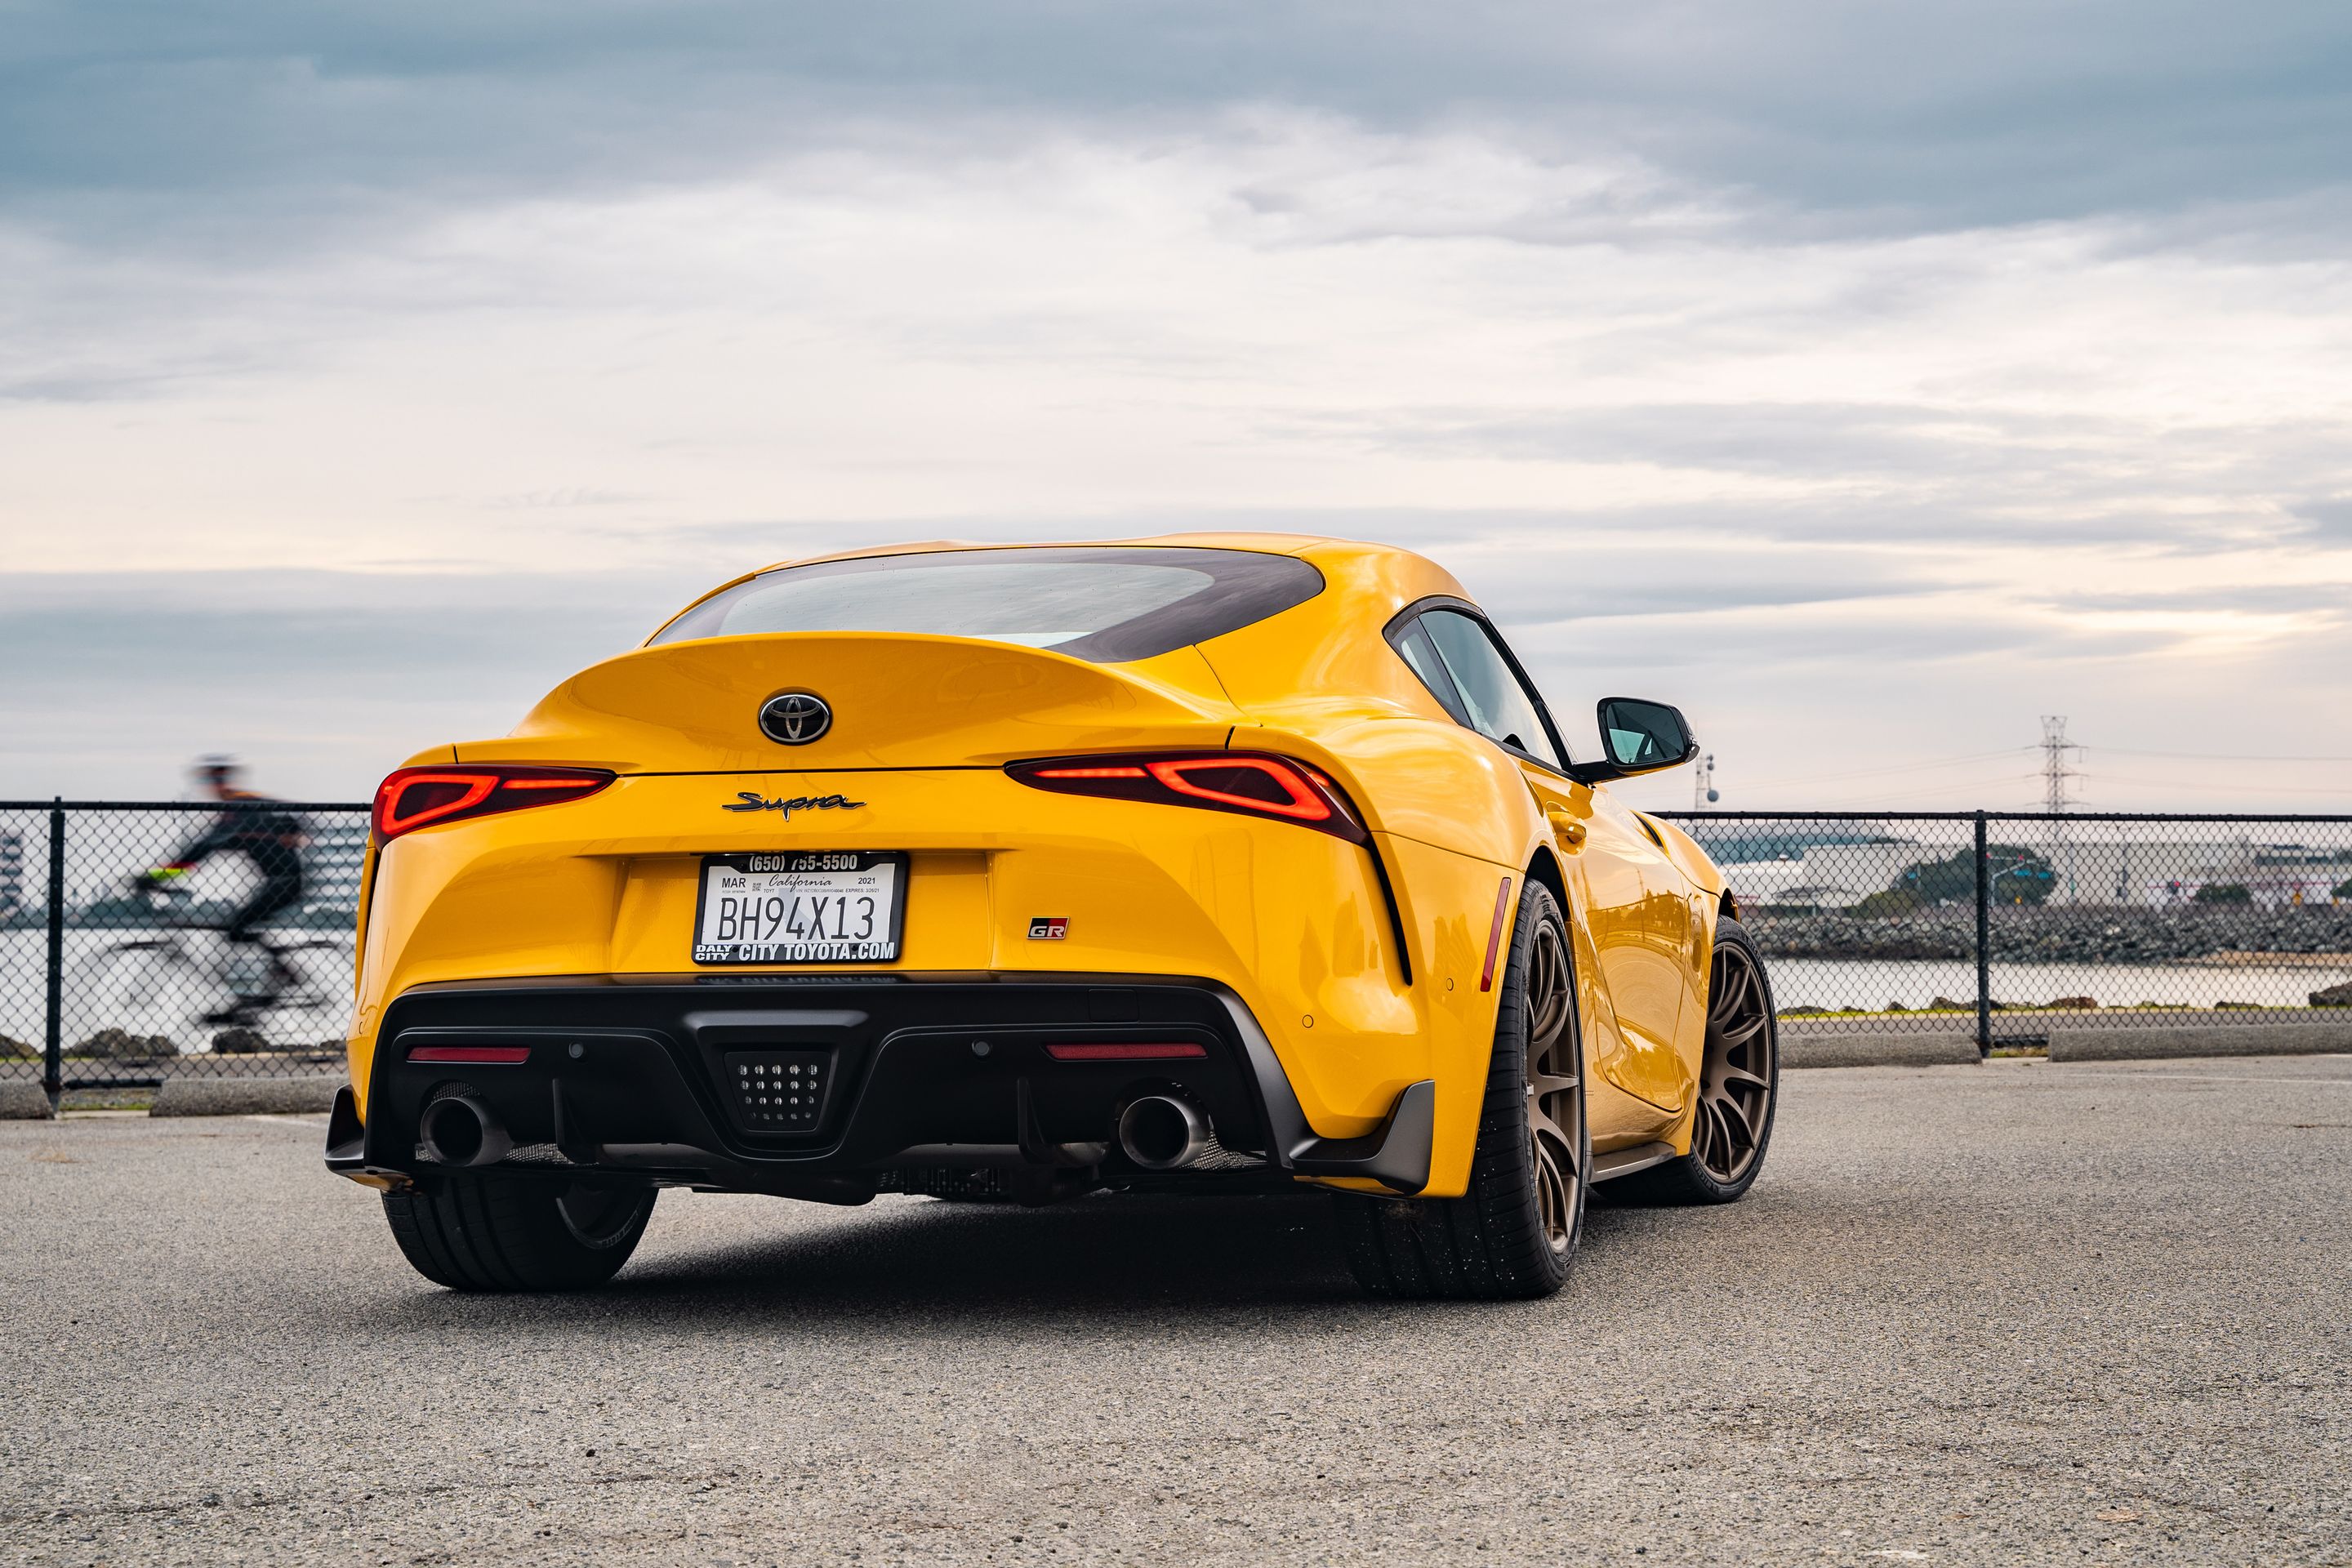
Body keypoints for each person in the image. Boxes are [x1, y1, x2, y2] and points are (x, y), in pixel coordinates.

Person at [135, 757, 308, 1024]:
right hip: (277, 879)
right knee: (238, 929)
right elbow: (198, 852)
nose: (212, 786)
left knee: (237, 926)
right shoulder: (238, 810)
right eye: (208, 780)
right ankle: (267, 985)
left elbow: (200, 850)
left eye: (216, 779)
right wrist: (158, 876)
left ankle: (268, 988)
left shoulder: (240, 808)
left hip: (285, 881)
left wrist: (154, 878)